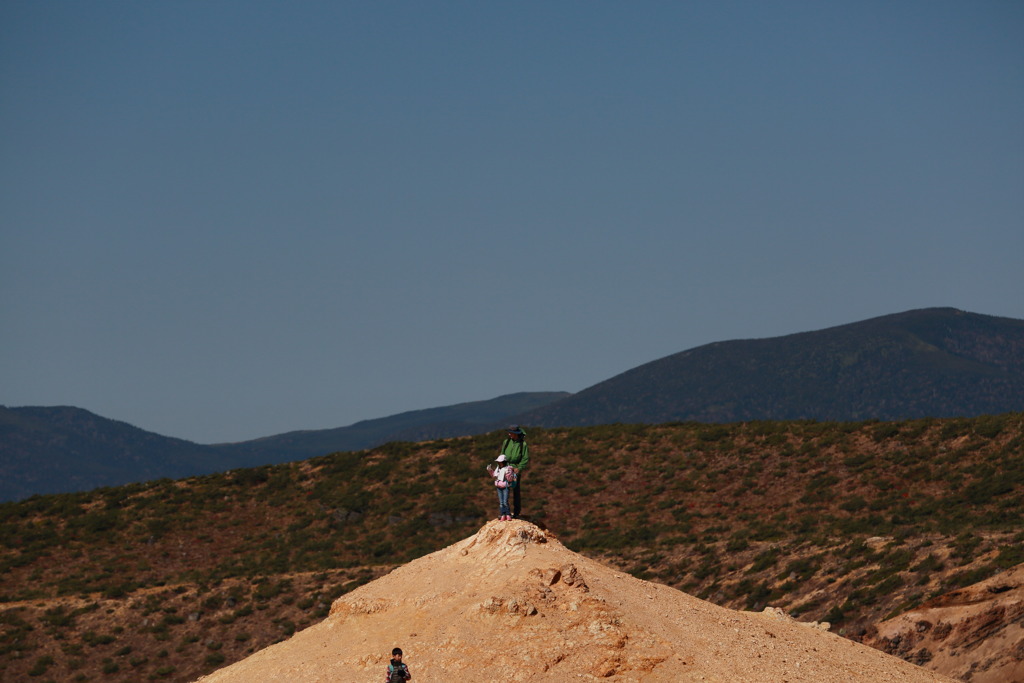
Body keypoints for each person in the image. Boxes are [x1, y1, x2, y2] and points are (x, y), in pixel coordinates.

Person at [499, 424, 529, 519]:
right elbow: (502, 455)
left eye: (511, 433)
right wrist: (501, 466)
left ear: (516, 433)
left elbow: (525, 458)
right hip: (505, 468)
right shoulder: (506, 442)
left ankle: (516, 512)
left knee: (516, 491)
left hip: (515, 469)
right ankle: (505, 512)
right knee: (503, 490)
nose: (509, 434)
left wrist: (519, 468)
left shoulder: (522, 444)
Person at [487, 454, 515, 521]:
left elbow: (510, 479)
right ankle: (503, 514)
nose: (499, 463)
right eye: (499, 462)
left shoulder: (508, 468)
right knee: (501, 502)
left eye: (500, 462)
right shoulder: (498, 468)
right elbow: (494, 475)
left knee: (505, 501)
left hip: (505, 486)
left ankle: (508, 514)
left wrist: (508, 473)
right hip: (499, 486)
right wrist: (490, 470)